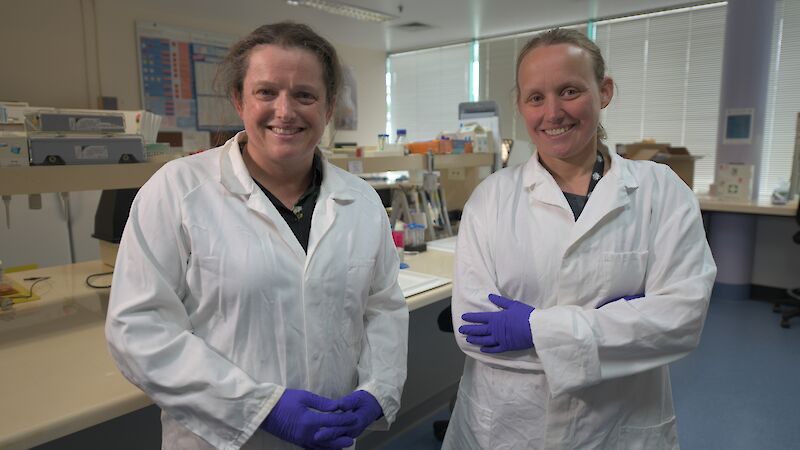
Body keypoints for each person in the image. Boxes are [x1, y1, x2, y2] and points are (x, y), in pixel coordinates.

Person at [105, 22, 408, 450]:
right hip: (218, 439)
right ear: (238, 99)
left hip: (332, 435)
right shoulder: (177, 190)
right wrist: (260, 408)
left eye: (305, 95)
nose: (285, 111)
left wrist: (378, 391)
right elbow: (138, 329)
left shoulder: (360, 201)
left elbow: (383, 307)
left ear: (328, 106)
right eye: (267, 92)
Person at [443, 28, 716, 449]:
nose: (553, 113)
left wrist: (534, 327)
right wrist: (618, 326)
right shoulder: (491, 199)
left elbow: (681, 319)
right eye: (536, 98)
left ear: (603, 92)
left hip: (619, 424)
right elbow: (472, 330)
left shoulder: (662, 192)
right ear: (521, 105)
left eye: (569, 91)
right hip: (506, 426)